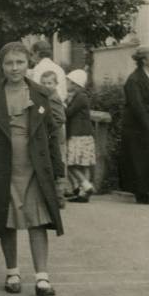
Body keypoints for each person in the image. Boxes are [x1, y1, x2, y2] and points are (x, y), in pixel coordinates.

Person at [0, 42, 64, 296]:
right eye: (9, 63)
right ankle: (12, 271)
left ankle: (42, 277)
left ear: (28, 64)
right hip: (4, 165)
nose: (15, 68)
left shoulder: (40, 93)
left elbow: (52, 136)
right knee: (8, 220)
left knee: (37, 220)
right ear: (1, 66)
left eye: (20, 62)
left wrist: (59, 173)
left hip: (35, 166)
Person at [120, 46, 149, 204]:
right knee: (138, 159)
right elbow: (137, 106)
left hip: (147, 125)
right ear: (144, 60)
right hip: (136, 127)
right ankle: (141, 193)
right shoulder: (134, 79)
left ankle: (147, 191)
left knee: (146, 157)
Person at [65, 69, 96, 203]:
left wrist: (62, 104)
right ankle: (83, 193)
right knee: (84, 165)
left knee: (71, 164)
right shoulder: (81, 96)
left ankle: (86, 185)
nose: (66, 83)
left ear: (75, 84)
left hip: (78, 134)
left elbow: (68, 113)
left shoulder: (80, 97)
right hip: (85, 134)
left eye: (69, 81)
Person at [40, 70, 67, 208]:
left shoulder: (53, 98)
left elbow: (60, 118)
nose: (46, 85)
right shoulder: (44, 96)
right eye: (43, 83)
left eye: (49, 83)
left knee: (57, 163)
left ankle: (59, 197)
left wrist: (50, 127)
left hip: (55, 135)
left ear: (56, 84)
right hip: (50, 135)